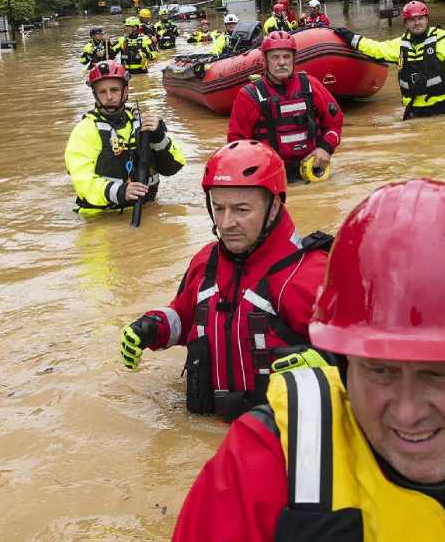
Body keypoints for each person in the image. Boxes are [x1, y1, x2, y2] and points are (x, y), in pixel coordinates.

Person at [172, 178, 445, 542]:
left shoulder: (298, 276)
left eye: (439, 374)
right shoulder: (262, 467)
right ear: (342, 362)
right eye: (378, 371)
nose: (407, 414)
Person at [119, 140, 333, 422]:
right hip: (205, 429)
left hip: (274, 438)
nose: (227, 222)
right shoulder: (205, 261)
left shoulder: (310, 274)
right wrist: (154, 327)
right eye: (218, 208)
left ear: (273, 207)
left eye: (241, 210)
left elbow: (370, 366)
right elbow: (185, 319)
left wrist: (331, 365)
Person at [65, 60, 184, 216]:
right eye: (102, 92)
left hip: (146, 211)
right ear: (95, 94)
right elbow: (82, 180)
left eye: (114, 90)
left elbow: (173, 166)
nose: (109, 97)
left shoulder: (142, 124)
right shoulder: (85, 130)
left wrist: (159, 137)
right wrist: (120, 192)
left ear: (125, 91)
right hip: (101, 217)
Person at [333, 0, 445, 120]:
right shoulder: (400, 44)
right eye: (412, 20)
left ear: (427, 19)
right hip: (414, 110)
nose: (417, 23)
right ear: (406, 23)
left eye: (420, 18)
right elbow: (377, 49)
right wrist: (352, 38)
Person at [228, 31, 342, 182]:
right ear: (265, 61)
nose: (282, 62)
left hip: (312, 172)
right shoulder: (249, 96)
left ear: (294, 59)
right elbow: (236, 144)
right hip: (270, 176)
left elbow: (334, 124)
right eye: (275, 57)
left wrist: (325, 149)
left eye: (286, 57)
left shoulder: (310, 86)